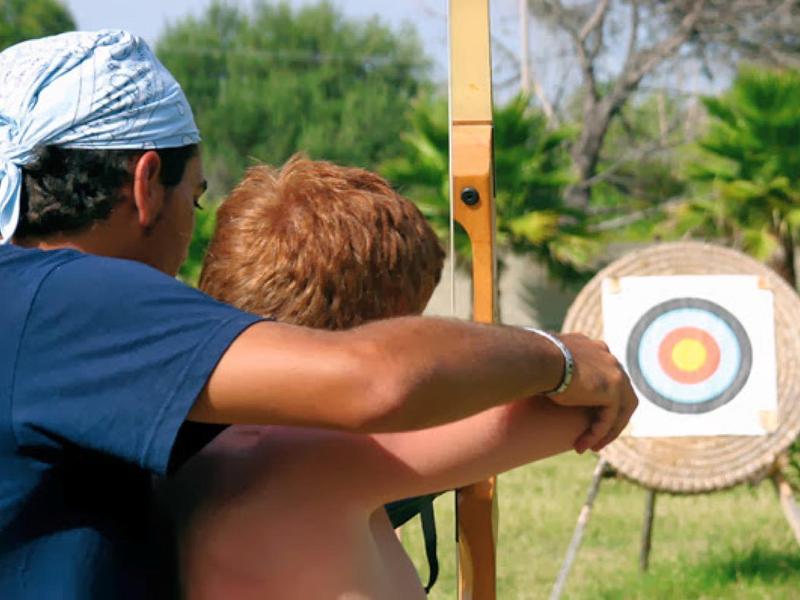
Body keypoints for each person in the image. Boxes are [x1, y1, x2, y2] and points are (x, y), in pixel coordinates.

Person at [0, 30, 636, 598]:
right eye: (194, 201)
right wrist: (559, 358)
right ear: (145, 184)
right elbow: (374, 380)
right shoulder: (66, 297)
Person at [165, 157, 595, 599]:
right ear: (383, 335)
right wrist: (553, 356)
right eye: (412, 324)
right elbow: (588, 403)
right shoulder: (311, 456)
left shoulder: (189, 434)